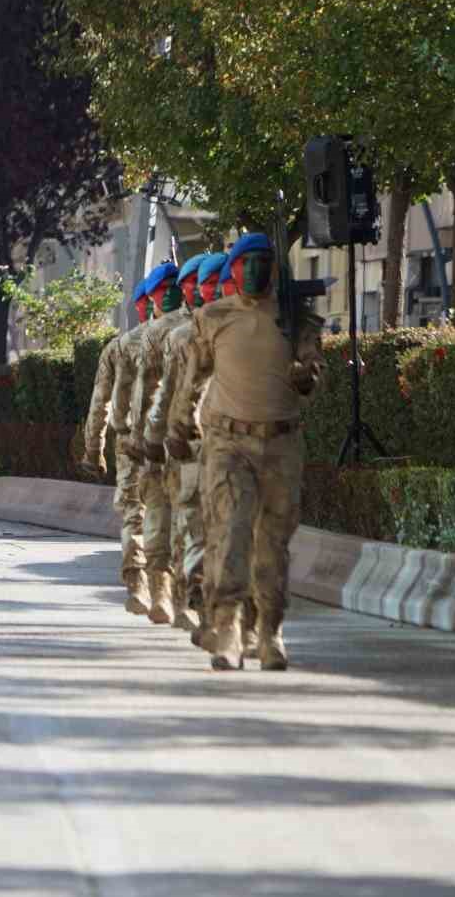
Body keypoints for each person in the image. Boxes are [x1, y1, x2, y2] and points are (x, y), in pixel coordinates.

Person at [169, 233, 326, 671]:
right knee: (231, 532)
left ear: (275, 269)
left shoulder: (296, 320)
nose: (255, 269)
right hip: (227, 443)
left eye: (263, 261)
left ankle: (270, 630)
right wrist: (180, 421)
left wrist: (305, 376)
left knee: (272, 543)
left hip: (280, 443)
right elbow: (193, 377)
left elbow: (313, 371)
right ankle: (228, 628)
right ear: (233, 270)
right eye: (246, 262)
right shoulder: (212, 318)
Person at [144, 252, 222, 638]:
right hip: (191, 444)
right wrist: (158, 437)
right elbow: (167, 390)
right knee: (191, 525)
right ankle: (190, 599)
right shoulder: (181, 336)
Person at [81, 279, 152, 614]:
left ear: (139, 307)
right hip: (178, 443)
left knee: (135, 515)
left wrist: (93, 451)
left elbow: (100, 404)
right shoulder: (191, 335)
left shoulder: (119, 348)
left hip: (131, 443)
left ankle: (139, 582)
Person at [123, 261, 187, 626]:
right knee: (152, 516)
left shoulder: (202, 330)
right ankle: (151, 589)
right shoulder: (140, 340)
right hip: (155, 439)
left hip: (184, 438)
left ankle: (172, 596)